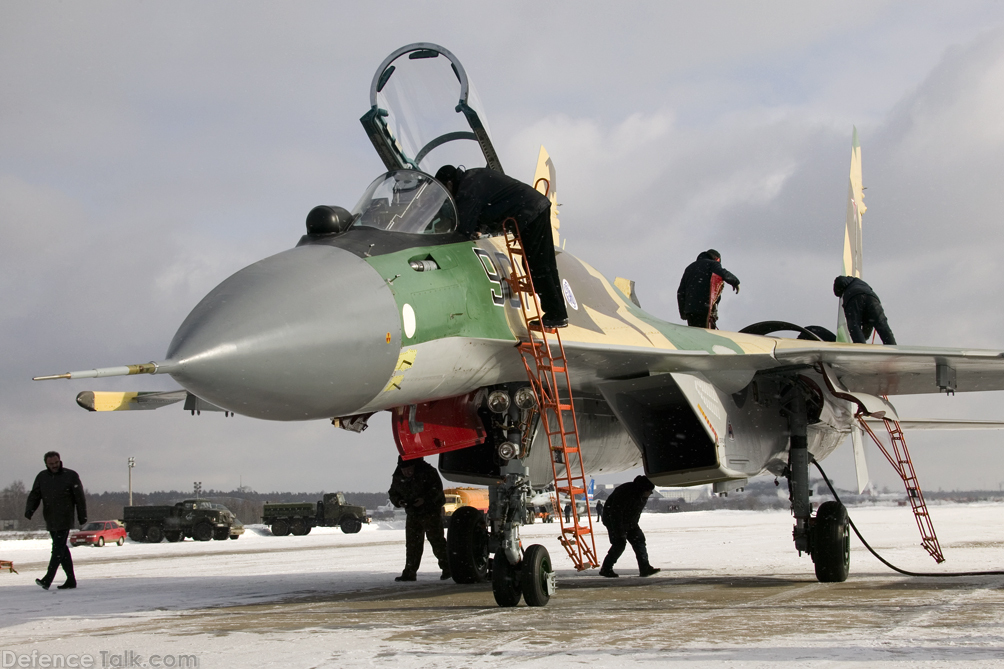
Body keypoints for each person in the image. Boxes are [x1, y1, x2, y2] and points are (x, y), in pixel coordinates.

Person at [435, 165, 568, 328]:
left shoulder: (468, 187)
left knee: (538, 265)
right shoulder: (474, 178)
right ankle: (557, 313)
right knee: (541, 263)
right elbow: (487, 208)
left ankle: (556, 314)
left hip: (530, 212)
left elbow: (462, 228)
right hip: (531, 209)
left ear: (449, 183)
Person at [25, 451, 86, 590]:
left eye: (56, 463)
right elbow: (35, 494)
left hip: (65, 517)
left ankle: (48, 579)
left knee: (57, 548)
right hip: (50, 517)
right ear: (46, 464)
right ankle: (71, 580)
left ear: (60, 461)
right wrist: (30, 509)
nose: (54, 466)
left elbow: (79, 497)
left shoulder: (70, 475)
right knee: (62, 549)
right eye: (51, 464)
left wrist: (82, 516)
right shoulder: (42, 477)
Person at [387, 456, 450, 582]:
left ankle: (448, 568)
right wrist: (399, 502)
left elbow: (437, 490)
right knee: (412, 544)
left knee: (436, 540)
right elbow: (393, 492)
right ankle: (409, 572)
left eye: (409, 469)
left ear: (414, 466)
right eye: (404, 470)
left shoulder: (428, 471)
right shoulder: (398, 475)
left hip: (430, 512)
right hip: (412, 513)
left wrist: (424, 500)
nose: (407, 473)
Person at [599, 475, 660, 578]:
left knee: (639, 540)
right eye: (649, 491)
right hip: (613, 522)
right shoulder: (625, 492)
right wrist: (619, 532)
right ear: (643, 488)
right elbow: (616, 513)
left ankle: (645, 568)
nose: (650, 493)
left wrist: (633, 525)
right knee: (619, 544)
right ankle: (606, 569)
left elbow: (636, 512)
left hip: (630, 522)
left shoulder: (641, 495)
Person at [677, 249, 740, 329]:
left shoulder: (689, 268)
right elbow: (721, 272)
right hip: (704, 307)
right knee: (705, 335)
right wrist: (735, 281)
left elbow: (681, 292)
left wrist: (683, 312)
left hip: (690, 311)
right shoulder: (712, 264)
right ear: (717, 259)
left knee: (694, 336)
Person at [833, 276, 896, 345]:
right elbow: (869, 322)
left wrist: (861, 340)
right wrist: (865, 336)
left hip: (852, 297)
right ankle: (893, 348)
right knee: (882, 324)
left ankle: (861, 350)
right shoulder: (859, 281)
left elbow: (840, 281)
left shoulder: (846, 288)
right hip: (871, 297)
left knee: (854, 325)